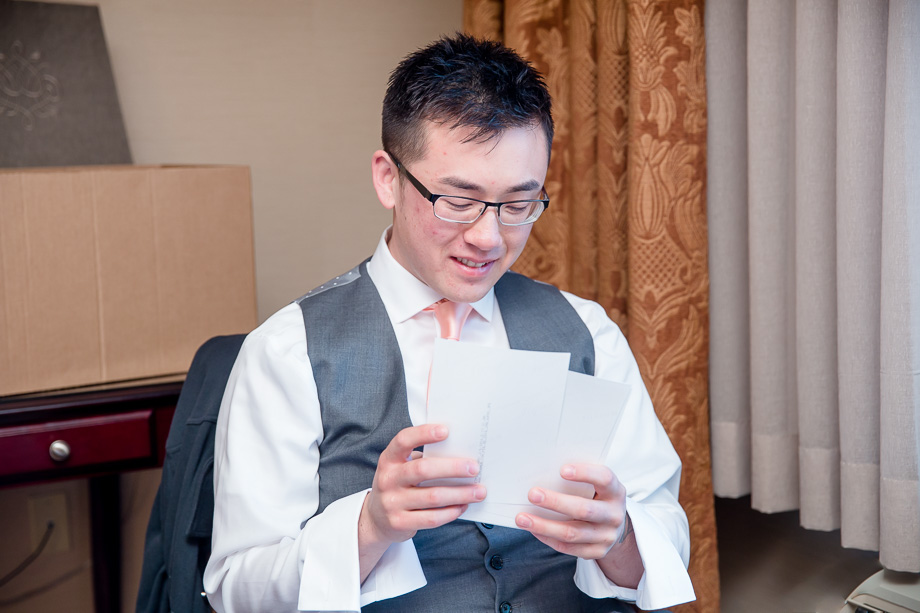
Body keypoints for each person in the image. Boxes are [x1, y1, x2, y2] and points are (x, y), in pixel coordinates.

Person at [203, 34, 694, 613]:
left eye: (519, 204)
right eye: (457, 200)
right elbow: (237, 588)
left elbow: (662, 545)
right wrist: (369, 528)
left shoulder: (586, 332)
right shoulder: (287, 351)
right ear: (388, 179)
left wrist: (617, 537)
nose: (489, 238)